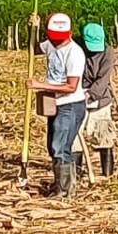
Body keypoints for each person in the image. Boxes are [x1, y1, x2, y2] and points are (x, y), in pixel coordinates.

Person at [28, 13, 87, 197]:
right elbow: (34, 48)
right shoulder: (50, 45)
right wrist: (33, 28)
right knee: (52, 146)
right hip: (55, 103)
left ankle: (66, 191)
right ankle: (60, 184)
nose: (55, 41)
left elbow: (71, 86)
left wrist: (40, 85)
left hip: (70, 104)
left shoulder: (74, 53)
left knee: (60, 147)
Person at [76, 23, 117, 176]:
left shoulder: (108, 53)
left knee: (103, 135)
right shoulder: (76, 48)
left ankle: (107, 175)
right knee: (76, 137)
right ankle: (77, 173)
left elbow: (103, 79)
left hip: (100, 99)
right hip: (77, 96)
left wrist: (90, 94)